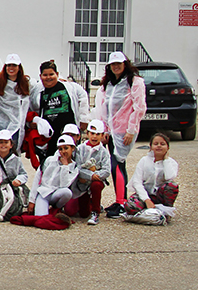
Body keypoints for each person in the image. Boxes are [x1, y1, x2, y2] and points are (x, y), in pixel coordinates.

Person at [94, 52, 148, 219]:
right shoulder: (108, 84)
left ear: (125, 64)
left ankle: (121, 201)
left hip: (125, 131)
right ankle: (120, 199)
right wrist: (104, 130)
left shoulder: (135, 82)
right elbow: (104, 108)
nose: (116, 66)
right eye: (113, 64)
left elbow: (139, 107)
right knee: (116, 165)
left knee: (117, 164)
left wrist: (131, 130)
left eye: (119, 63)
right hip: (112, 131)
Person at [30, 60, 90, 158]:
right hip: (49, 137)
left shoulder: (70, 87)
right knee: (49, 163)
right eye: (45, 75)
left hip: (68, 133)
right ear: (40, 76)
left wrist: (83, 119)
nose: (48, 77)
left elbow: (83, 95)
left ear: (57, 74)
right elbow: (31, 108)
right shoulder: (37, 91)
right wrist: (33, 122)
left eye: (51, 74)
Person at [0, 54, 40, 154]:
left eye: (14, 65)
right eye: (9, 65)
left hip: (18, 128)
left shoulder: (27, 84)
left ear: (19, 67)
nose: (11, 68)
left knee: (14, 156)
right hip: (2, 126)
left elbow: (39, 88)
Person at [121, 133, 179, 219]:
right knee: (130, 206)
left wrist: (166, 160)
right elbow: (137, 182)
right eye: (156, 144)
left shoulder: (172, 163)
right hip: (146, 195)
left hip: (160, 196)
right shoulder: (144, 161)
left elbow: (169, 177)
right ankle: (149, 211)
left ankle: (166, 212)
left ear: (168, 147)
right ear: (151, 147)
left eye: (162, 144)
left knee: (172, 186)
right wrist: (146, 200)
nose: (159, 146)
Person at [70, 120, 110, 225]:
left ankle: (95, 212)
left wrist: (96, 176)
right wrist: (90, 175)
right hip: (82, 183)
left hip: (96, 181)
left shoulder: (104, 152)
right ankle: (92, 204)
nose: (94, 137)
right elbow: (77, 167)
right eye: (92, 133)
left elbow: (106, 170)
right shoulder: (80, 149)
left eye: (98, 134)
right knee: (83, 213)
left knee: (96, 185)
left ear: (102, 135)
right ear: (87, 133)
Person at [29, 135, 80, 216]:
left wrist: (65, 166)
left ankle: (56, 208)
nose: (63, 151)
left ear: (72, 148)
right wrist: (32, 200)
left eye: (66, 148)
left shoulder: (74, 168)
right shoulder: (49, 160)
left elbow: (65, 185)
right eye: (60, 149)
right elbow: (37, 179)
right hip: (44, 193)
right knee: (41, 217)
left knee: (67, 192)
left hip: (57, 194)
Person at [0, 130, 29, 221]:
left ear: (11, 145)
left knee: (13, 200)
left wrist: (19, 180)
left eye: (6, 142)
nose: (3, 145)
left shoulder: (16, 159)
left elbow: (23, 174)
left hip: (12, 185)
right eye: (0, 142)